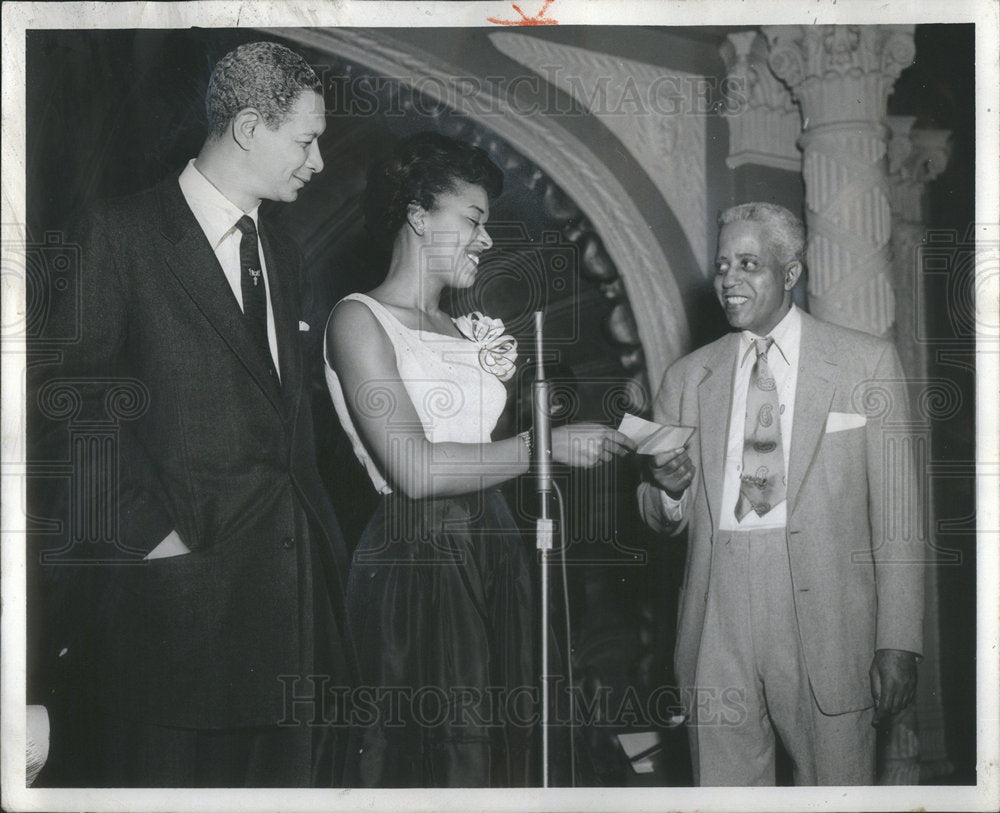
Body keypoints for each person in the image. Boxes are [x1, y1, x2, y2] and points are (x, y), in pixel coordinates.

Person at [49, 41, 353, 786]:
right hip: (173, 621)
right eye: (306, 140)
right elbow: (69, 405)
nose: (317, 162)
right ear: (250, 127)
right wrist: (151, 538)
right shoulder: (118, 233)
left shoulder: (284, 255)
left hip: (290, 617)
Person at [324, 131, 635, 787]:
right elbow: (414, 468)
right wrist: (541, 448)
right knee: (447, 753)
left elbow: (488, 439)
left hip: (495, 546)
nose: (485, 240)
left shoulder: (467, 328)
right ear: (417, 215)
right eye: (472, 220)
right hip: (420, 558)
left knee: (514, 749)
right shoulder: (358, 321)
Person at [637, 203, 925, 785]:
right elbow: (656, 511)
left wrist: (898, 641)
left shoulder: (866, 362)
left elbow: (899, 516)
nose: (729, 280)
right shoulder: (687, 377)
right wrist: (667, 493)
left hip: (829, 620)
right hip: (717, 610)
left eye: (749, 263)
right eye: (722, 265)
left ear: (790, 274)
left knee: (836, 791)